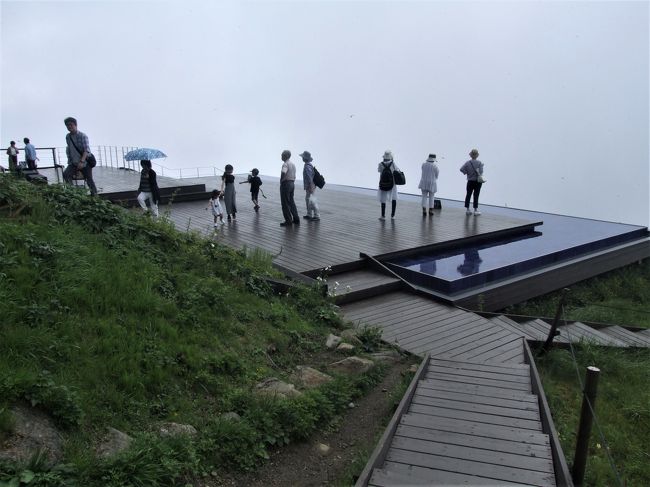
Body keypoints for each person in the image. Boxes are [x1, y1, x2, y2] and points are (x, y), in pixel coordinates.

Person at [62, 117, 98, 196]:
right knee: (66, 174)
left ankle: (95, 196)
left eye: (71, 125)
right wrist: (70, 161)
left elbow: (86, 150)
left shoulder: (82, 136)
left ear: (75, 125)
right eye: (67, 125)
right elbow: (69, 149)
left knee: (89, 179)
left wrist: (81, 162)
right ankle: (72, 194)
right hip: (73, 162)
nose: (69, 127)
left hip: (84, 162)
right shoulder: (68, 137)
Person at [460, 148, 484, 215]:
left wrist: (467, 173)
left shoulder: (468, 163)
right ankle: (475, 210)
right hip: (477, 182)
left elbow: (461, 169)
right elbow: (481, 172)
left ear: (471, 155)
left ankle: (467, 209)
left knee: (468, 194)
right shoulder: (480, 163)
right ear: (477, 155)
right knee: (476, 195)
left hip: (470, 181)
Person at [279, 150, 300, 227]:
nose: (281, 156)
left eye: (282, 155)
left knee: (285, 203)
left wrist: (281, 180)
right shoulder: (293, 164)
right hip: (292, 183)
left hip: (286, 184)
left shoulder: (285, 164)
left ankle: (288, 220)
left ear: (285, 156)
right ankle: (296, 218)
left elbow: (283, 172)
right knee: (291, 202)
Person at [377, 150, 400, 220]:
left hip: (383, 183)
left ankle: (383, 216)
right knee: (394, 198)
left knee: (383, 200)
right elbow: (398, 170)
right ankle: (393, 216)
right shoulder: (393, 163)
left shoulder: (380, 164)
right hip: (392, 184)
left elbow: (379, 171)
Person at [300, 150, 320, 221]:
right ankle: (309, 214)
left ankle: (316, 216)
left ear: (305, 158)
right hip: (310, 186)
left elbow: (309, 177)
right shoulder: (308, 165)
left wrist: (311, 187)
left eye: (303, 157)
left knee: (312, 201)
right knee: (308, 200)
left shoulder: (307, 166)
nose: (302, 158)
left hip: (310, 186)